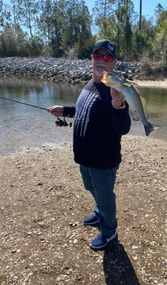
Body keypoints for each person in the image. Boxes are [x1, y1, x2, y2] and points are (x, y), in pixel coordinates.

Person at [48, 39, 131, 251]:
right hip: (85, 158)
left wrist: (118, 105)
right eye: (97, 56)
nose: (101, 61)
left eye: (107, 57)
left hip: (103, 162)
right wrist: (64, 111)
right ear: (90, 60)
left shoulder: (115, 91)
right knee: (90, 187)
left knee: (105, 195)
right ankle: (99, 211)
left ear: (114, 63)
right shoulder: (89, 84)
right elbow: (82, 110)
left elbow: (124, 127)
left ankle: (109, 231)